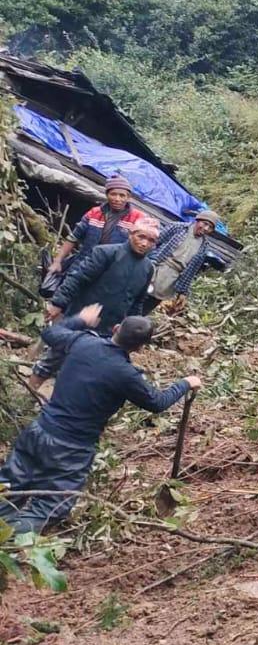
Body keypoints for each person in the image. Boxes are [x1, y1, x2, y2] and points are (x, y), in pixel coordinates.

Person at [0, 305, 201, 534]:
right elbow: (157, 402)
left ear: (115, 328)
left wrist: (80, 319)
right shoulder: (126, 375)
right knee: (51, 506)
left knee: (9, 487)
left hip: (38, 431)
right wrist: (186, 383)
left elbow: (50, 334)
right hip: (71, 448)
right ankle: (11, 545)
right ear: (140, 348)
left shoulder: (83, 341)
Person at [29, 221, 160, 390]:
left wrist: (133, 332)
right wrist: (58, 303)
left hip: (109, 329)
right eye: (141, 236)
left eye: (151, 240)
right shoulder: (106, 253)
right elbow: (77, 278)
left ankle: (60, 402)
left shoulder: (147, 268)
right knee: (54, 358)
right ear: (130, 234)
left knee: (84, 369)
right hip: (81, 318)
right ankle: (27, 398)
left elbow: (137, 301)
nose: (144, 243)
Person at [44, 174, 150, 281]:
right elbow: (73, 238)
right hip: (83, 265)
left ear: (128, 197)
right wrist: (57, 261)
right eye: (113, 194)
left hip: (112, 272)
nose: (117, 199)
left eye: (122, 195)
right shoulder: (94, 213)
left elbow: (147, 246)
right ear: (107, 194)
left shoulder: (139, 219)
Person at [141, 209, 221, 315]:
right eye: (205, 223)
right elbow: (155, 242)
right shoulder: (178, 227)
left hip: (172, 279)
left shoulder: (204, 246)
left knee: (148, 306)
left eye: (210, 227)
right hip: (157, 267)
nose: (206, 228)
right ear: (197, 220)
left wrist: (182, 292)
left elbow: (191, 271)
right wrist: (149, 261)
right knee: (137, 297)